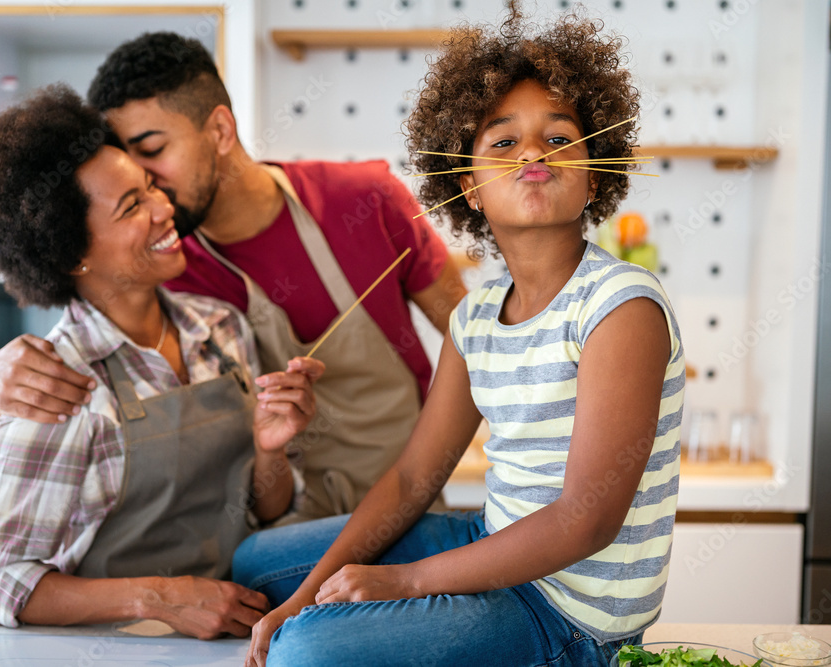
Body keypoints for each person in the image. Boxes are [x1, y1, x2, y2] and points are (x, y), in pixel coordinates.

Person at [233, 8, 685, 667]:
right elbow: (417, 475)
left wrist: (403, 581)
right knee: (257, 566)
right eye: (504, 142)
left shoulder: (620, 307)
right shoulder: (474, 319)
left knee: (307, 654)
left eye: (560, 138)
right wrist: (301, 595)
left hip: (572, 614)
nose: (534, 153)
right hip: (498, 535)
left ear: (594, 172)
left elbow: (586, 519)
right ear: (468, 186)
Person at [0, 32, 467, 521]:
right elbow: (82, 332)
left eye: (152, 149)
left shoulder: (363, 199)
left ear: (221, 131)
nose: (145, 183)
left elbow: (471, 337)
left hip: (410, 504)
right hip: (272, 534)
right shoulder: (160, 264)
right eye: (126, 163)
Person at [0, 85, 325, 638]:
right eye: (132, 206)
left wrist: (270, 452)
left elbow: (263, 510)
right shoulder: (56, 385)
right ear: (72, 253)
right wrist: (163, 598)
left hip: (234, 633)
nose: (163, 208)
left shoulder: (221, 328)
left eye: (151, 186)